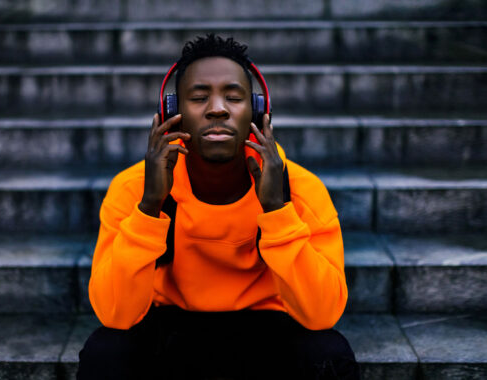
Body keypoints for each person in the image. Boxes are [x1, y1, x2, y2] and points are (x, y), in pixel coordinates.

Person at [77, 34, 359, 379]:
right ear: (172, 112)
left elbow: (322, 315)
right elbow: (114, 316)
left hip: (264, 331)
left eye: (233, 97)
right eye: (198, 97)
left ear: (257, 111)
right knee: (104, 352)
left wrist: (276, 210)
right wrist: (149, 207)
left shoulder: (299, 189)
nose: (217, 108)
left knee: (328, 355)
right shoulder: (132, 188)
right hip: (172, 329)